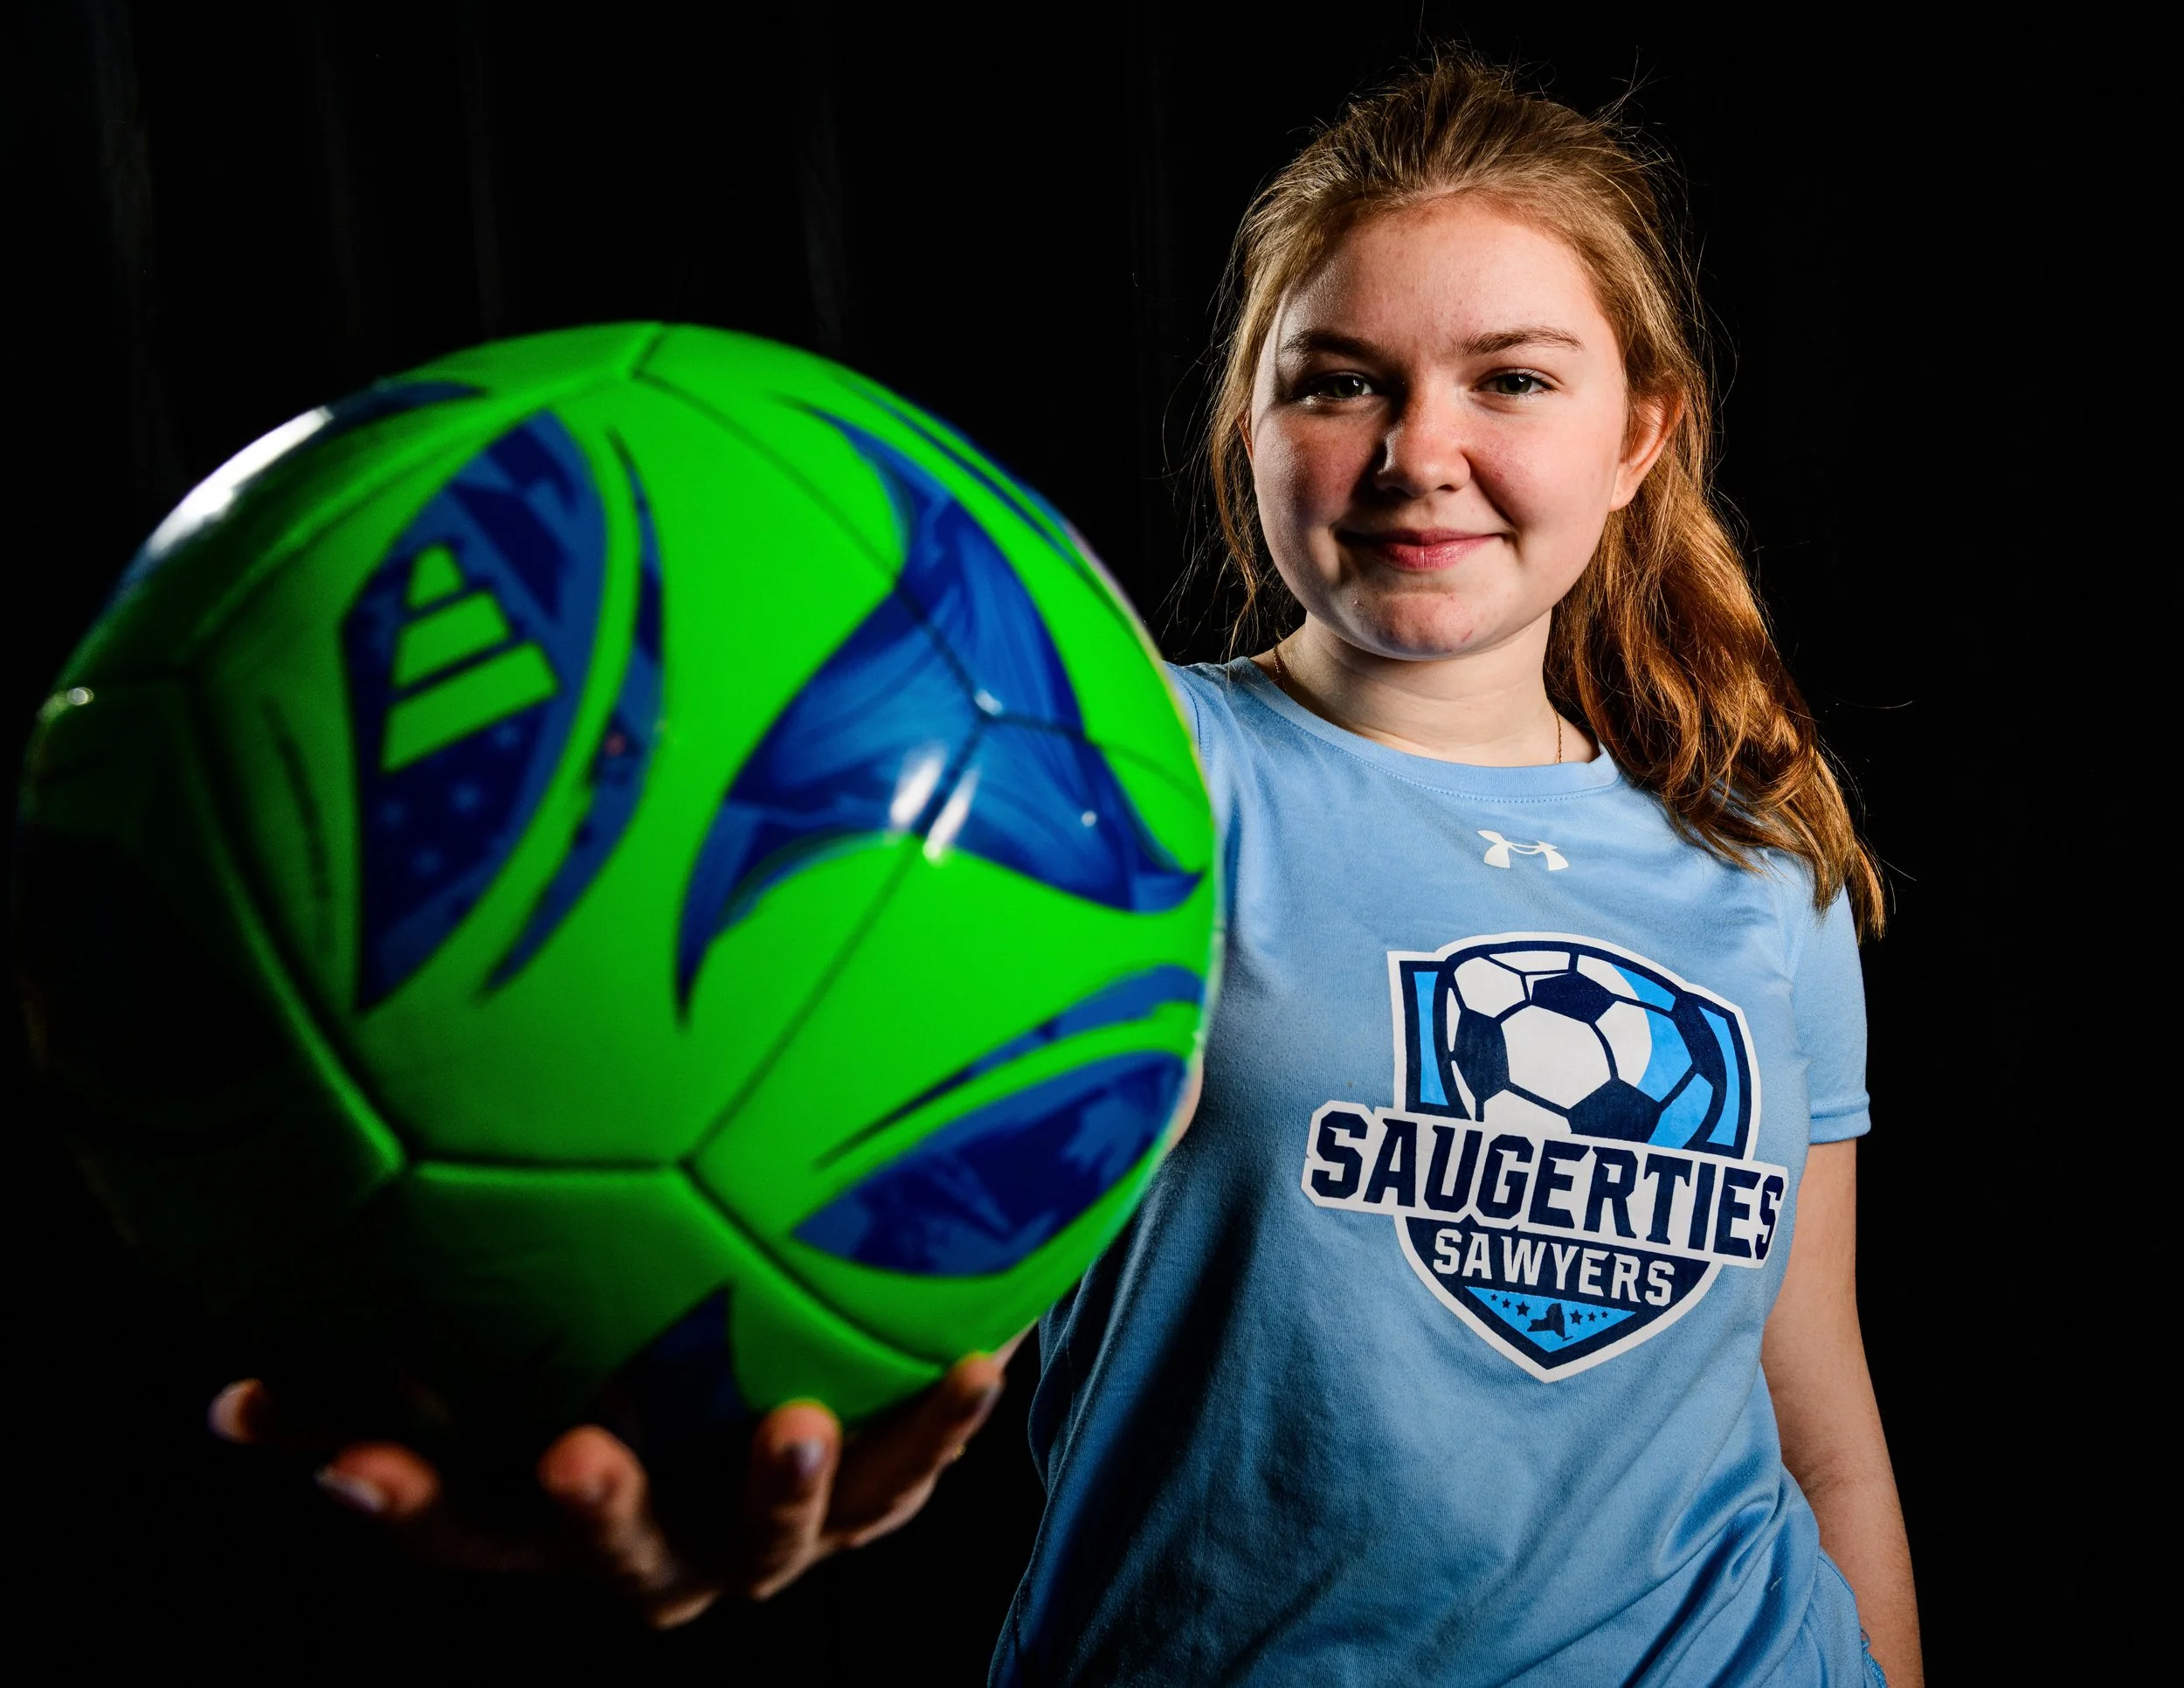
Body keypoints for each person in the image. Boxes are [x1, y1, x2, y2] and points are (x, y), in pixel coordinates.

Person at [217, 51, 1921, 1686]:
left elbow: (1820, 1420)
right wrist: (696, 1444)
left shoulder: (1757, 865)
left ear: (1636, 438)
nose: (1418, 452)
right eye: (1337, 380)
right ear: (1249, 423)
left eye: (1512, 380)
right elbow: (835, 1224)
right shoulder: (1101, 780)